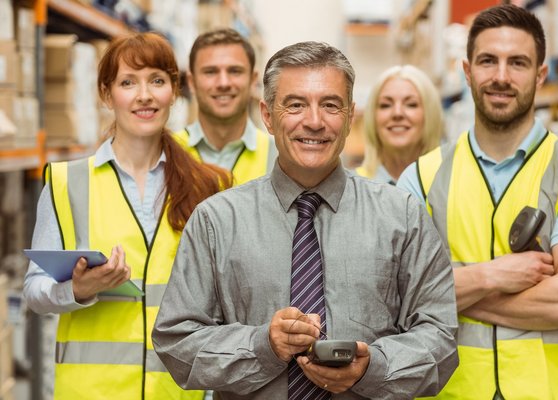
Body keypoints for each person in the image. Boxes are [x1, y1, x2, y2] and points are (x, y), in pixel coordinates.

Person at [153, 41, 458, 399]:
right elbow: (176, 341)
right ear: (267, 115)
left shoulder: (402, 216)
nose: (314, 121)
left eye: (330, 105)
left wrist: (373, 367)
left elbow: (441, 336)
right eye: (295, 104)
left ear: (349, 117)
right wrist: (261, 346)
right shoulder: (217, 221)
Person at [398, 4, 558, 399]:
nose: (502, 77)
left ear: (541, 75)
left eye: (518, 63)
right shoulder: (421, 179)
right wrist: (493, 276)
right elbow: (395, 295)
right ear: (468, 71)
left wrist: (449, 294)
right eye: (488, 61)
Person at [23, 32, 231, 399]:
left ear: (174, 90)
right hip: (91, 392)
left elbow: (224, 303)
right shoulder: (66, 182)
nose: (144, 95)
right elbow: (34, 292)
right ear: (107, 94)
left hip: (178, 392)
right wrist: (78, 289)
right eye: (127, 82)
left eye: (157, 80)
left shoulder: (209, 185)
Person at [173, 28, 277, 185]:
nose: (223, 83)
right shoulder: (165, 153)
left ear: (253, 80)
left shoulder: (278, 157)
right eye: (210, 72)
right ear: (191, 82)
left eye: (235, 71)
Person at [355, 64, 444, 184]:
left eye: (411, 104)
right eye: (385, 105)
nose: (397, 113)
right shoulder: (352, 187)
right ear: (373, 117)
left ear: (430, 115)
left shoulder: (449, 183)